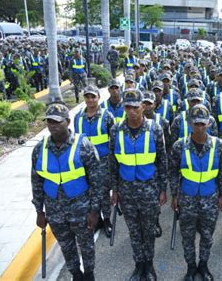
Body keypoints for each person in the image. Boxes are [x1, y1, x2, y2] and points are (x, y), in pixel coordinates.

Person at [31, 103, 103, 281]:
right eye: (49, 121)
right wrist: (39, 211)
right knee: (66, 246)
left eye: (57, 121)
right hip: (55, 211)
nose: (53, 125)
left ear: (68, 122)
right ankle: (76, 275)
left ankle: (89, 275)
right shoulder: (40, 149)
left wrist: (95, 211)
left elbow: (97, 181)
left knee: (86, 246)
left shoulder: (83, 145)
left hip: (81, 209)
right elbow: (37, 182)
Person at [109, 89, 168, 281]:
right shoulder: (116, 130)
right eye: (128, 107)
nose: (132, 111)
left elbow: (162, 161)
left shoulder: (155, 129)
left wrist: (162, 189)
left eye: (135, 106)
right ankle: (138, 265)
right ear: (124, 108)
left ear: (143, 106)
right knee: (134, 231)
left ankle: (149, 266)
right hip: (126, 191)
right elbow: (113, 163)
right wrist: (115, 190)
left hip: (149, 189)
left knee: (149, 230)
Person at [170, 104, 222, 281]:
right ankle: (191, 267)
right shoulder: (179, 146)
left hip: (210, 198)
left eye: (203, 123)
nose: (200, 127)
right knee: (187, 237)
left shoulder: (219, 145)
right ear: (189, 123)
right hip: (187, 199)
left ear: (209, 123)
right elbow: (172, 171)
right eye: (196, 123)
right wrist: (174, 195)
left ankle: (203, 265)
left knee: (207, 236)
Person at [74, 85, 115, 237]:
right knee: (90, 193)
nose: (90, 100)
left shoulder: (106, 116)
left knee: (103, 193)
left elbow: (114, 141)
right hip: (84, 163)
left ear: (98, 97)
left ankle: (107, 220)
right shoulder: (78, 117)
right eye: (87, 97)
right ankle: (96, 219)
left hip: (102, 163)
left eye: (93, 97)